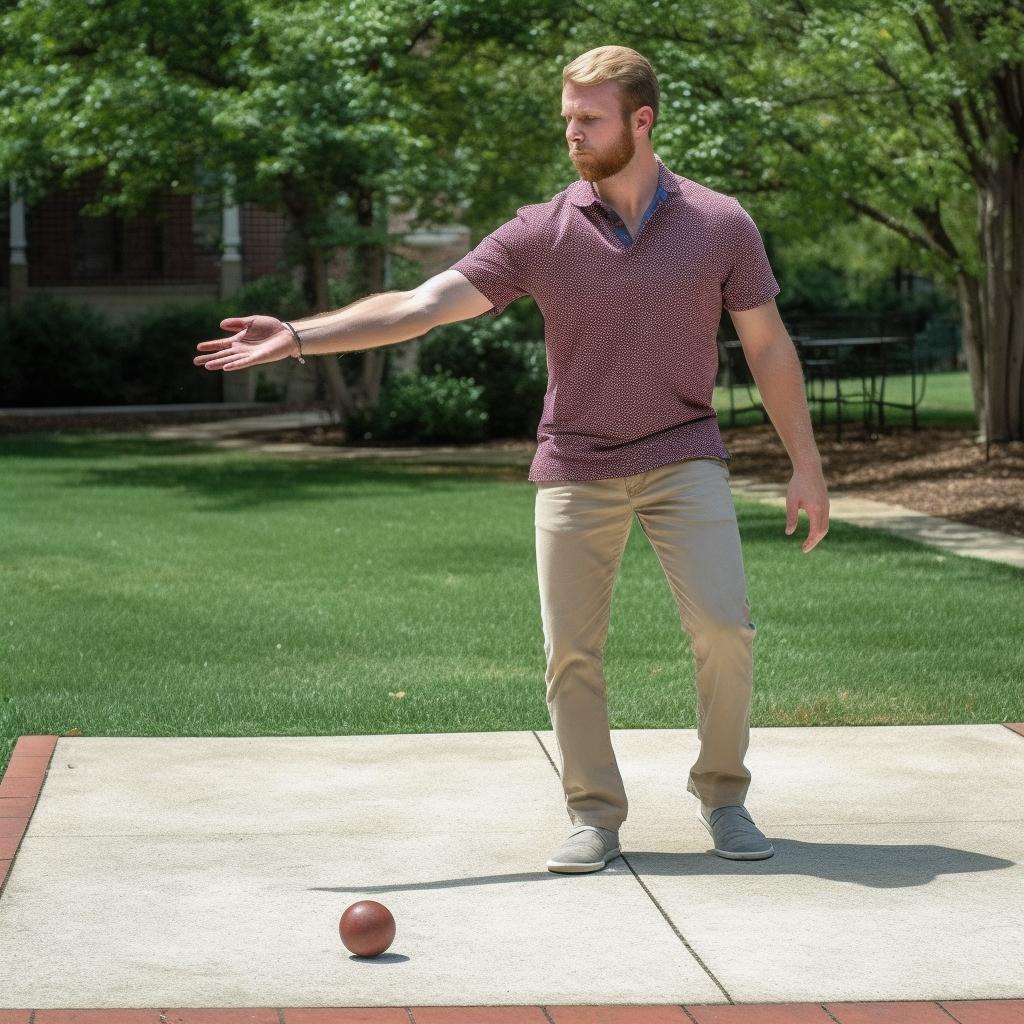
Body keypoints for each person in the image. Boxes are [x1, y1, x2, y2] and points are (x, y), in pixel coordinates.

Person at [195, 44, 830, 875]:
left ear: (642, 120)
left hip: (683, 451)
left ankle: (724, 794)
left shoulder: (719, 224)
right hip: (574, 462)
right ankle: (594, 814)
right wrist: (300, 335)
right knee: (572, 649)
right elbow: (420, 306)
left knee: (724, 625)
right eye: (567, 117)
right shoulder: (542, 232)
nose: (572, 132)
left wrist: (806, 465)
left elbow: (769, 346)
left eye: (589, 118)